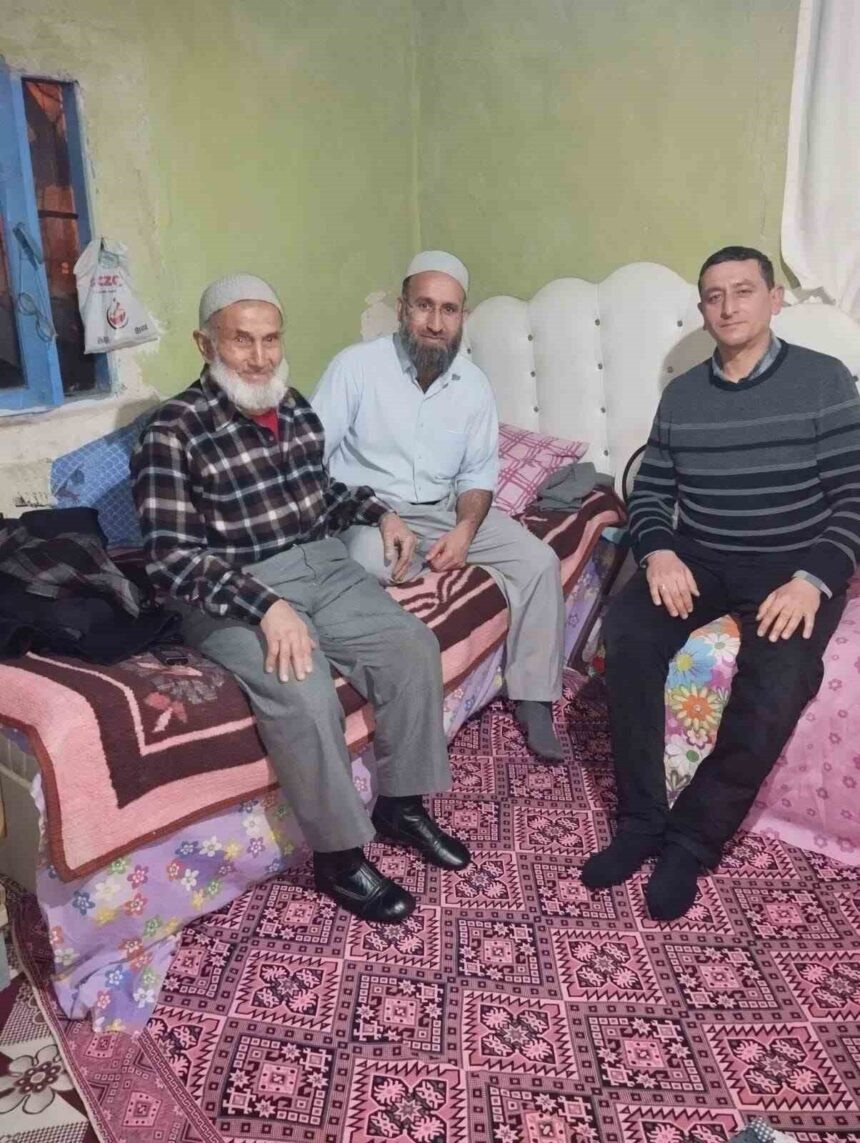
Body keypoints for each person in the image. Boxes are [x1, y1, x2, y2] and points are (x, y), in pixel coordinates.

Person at [131, 274, 470, 926]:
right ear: (205, 344)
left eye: (271, 339)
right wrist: (265, 606)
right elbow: (171, 558)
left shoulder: (295, 407)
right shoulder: (172, 431)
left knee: (411, 646)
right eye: (241, 341)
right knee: (305, 689)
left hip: (320, 563)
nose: (260, 357)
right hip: (228, 588)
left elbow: (323, 496)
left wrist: (381, 512)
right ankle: (339, 858)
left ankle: (400, 806)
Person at [581, 245, 860, 920]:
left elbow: (853, 495)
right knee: (628, 630)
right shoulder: (683, 396)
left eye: (743, 290)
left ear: (774, 299)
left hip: (790, 563)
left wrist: (813, 580)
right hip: (702, 555)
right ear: (703, 308)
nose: (728, 306)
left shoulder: (823, 380)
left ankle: (692, 840)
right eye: (714, 295)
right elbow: (653, 492)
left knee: (781, 676)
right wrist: (658, 552)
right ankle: (641, 820)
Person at [311, 250, 567, 762]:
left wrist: (466, 530)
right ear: (402, 309)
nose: (435, 323)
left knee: (540, 562)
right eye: (424, 306)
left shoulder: (473, 385)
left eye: (448, 310)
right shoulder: (355, 367)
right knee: (369, 563)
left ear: (462, 317)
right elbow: (310, 459)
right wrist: (375, 515)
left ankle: (534, 696)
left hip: (445, 509)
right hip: (370, 510)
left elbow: (477, 476)